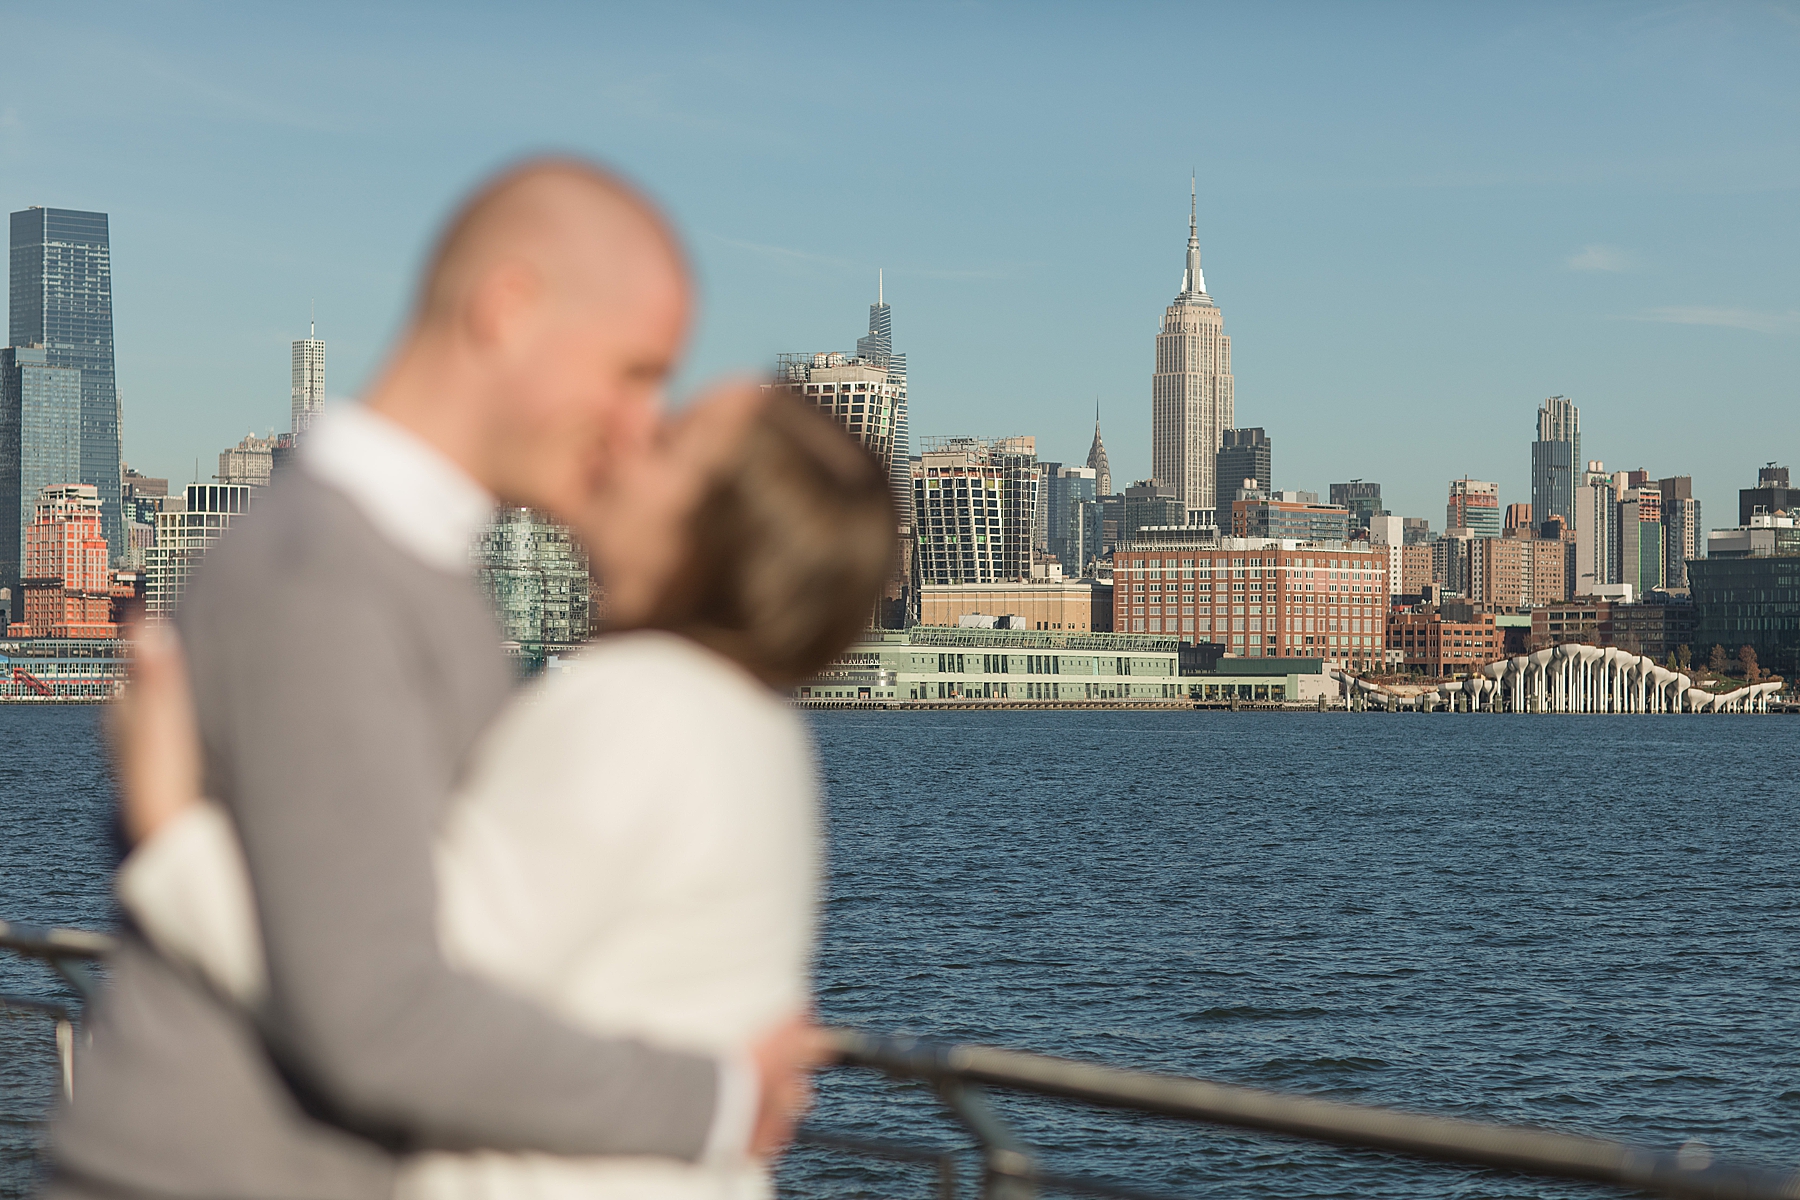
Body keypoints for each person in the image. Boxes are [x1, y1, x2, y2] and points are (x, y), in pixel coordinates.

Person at [49, 160, 824, 1200]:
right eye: (635, 373)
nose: (639, 425)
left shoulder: (423, 578)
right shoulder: (323, 570)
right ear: (510, 310)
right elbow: (383, 1018)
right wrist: (722, 1102)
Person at [109, 389, 897, 1200]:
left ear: (710, 532)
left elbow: (391, 1010)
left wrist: (170, 833)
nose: (627, 432)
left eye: (667, 440)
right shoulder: (764, 736)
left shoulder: (634, 706)